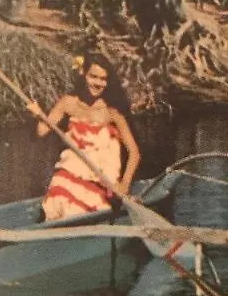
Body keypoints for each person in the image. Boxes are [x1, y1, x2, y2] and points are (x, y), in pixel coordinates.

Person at [27, 53, 142, 222]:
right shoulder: (68, 103)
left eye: (103, 79)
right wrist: (37, 115)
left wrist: (124, 185)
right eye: (93, 76)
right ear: (83, 75)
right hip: (70, 172)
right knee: (58, 193)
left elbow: (134, 152)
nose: (97, 83)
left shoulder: (112, 112)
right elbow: (41, 132)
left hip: (101, 180)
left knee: (81, 209)